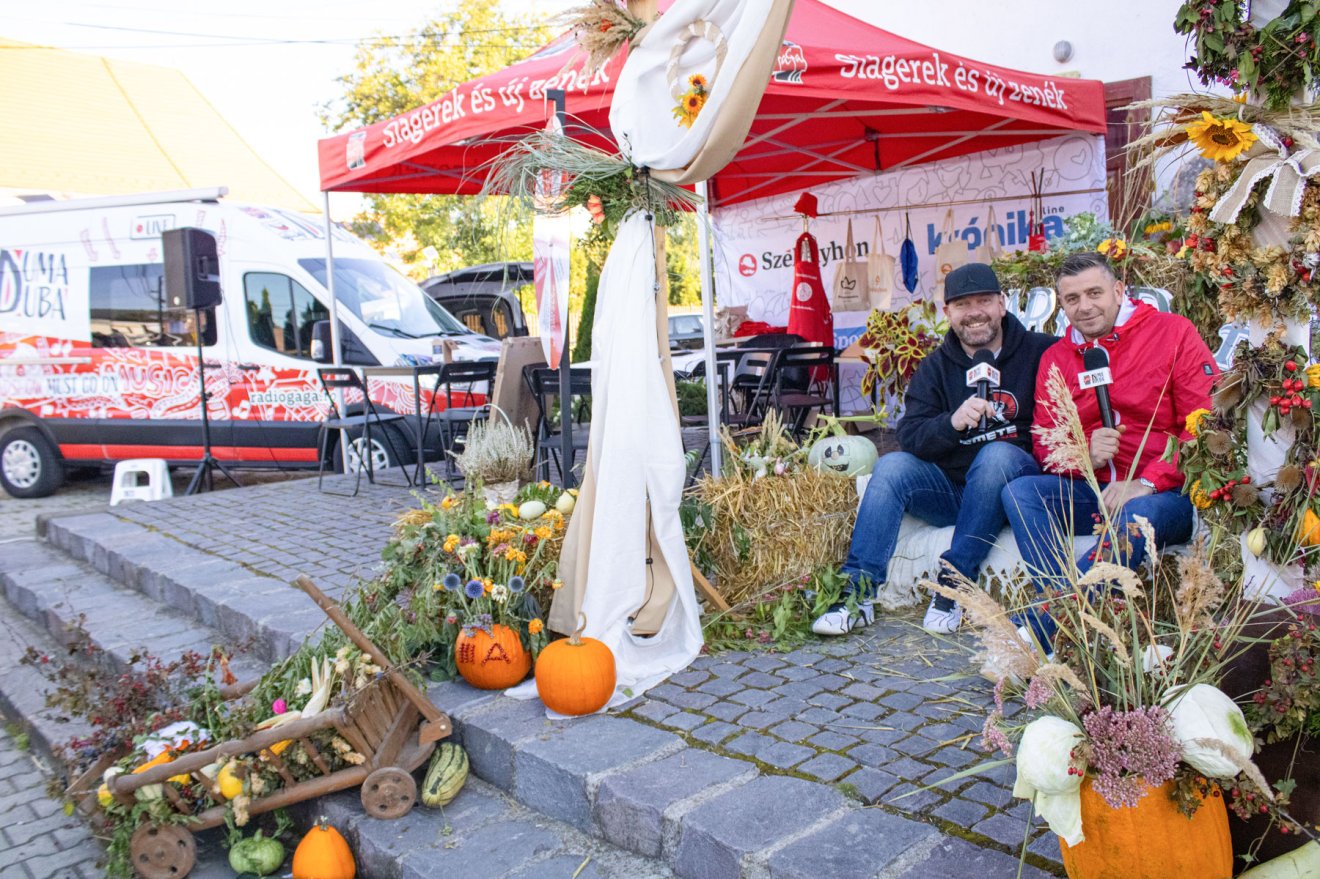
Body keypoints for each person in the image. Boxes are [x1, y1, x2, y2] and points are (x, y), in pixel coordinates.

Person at [814, 262, 1056, 636]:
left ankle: (955, 585)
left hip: (1014, 492)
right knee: (892, 466)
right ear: (948, 313)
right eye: (962, 304)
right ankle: (857, 593)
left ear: (1002, 304)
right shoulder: (935, 367)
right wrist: (951, 422)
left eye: (984, 301)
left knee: (997, 454)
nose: (974, 312)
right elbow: (910, 435)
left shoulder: (1042, 352)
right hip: (954, 492)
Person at [1003, 251, 1218, 647]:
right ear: (1060, 304)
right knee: (1021, 492)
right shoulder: (1056, 357)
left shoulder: (1172, 333)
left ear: (1119, 290)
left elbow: (1204, 428)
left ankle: (1044, 628)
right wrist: (1085, 454)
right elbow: (1044, 443)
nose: (1084, 307)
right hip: (1095, 492)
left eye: (1095, 293)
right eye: (1072, 299)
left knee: (1137, 514)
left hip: (1164, 496)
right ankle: (1064, 617)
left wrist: (1148, 481)